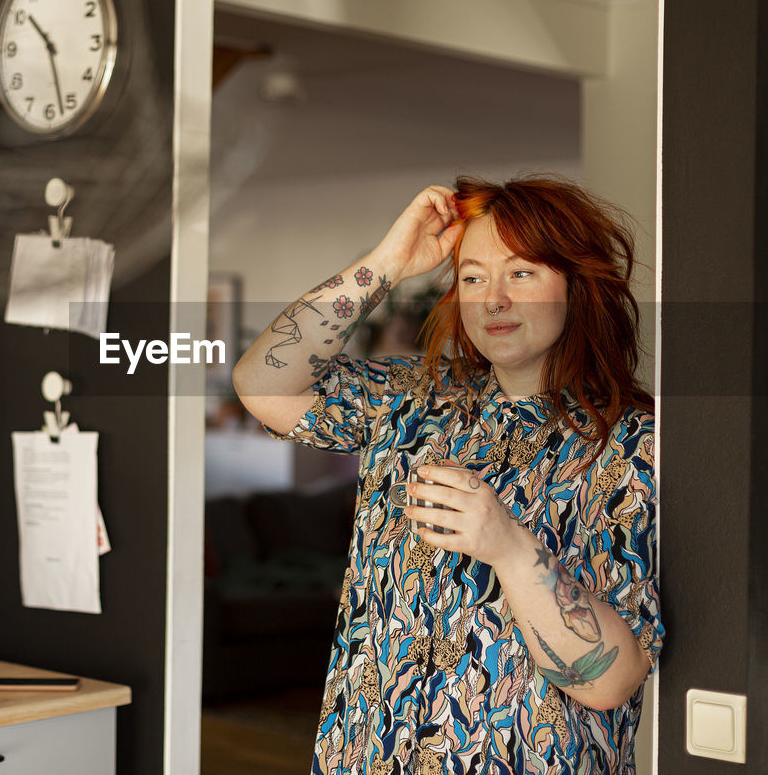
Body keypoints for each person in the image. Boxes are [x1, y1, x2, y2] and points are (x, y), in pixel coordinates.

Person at [232, 175, 662, 774]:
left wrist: (509, 549)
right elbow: (261, 383)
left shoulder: (634, 445)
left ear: (576, 284)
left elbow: (610, 681)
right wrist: (386, 263)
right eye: (473, 276)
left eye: (522, 273)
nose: (494, 300)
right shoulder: (410, 398)